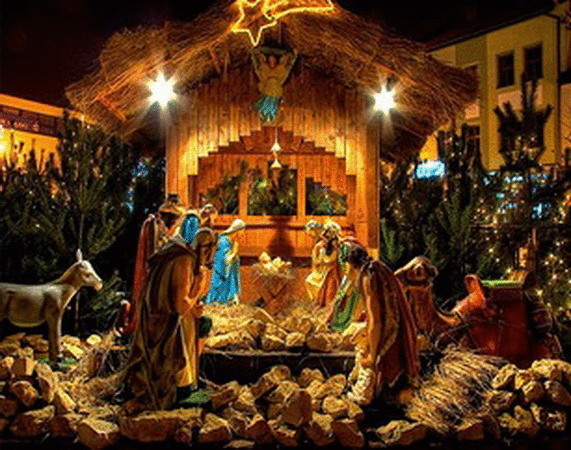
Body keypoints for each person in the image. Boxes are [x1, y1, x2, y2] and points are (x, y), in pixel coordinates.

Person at [123, 228, 218, 410]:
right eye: (208, 251)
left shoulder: (179, 255)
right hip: (168, 323)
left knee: (202, 324)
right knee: (187, 334)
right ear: (201, 248)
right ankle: (183, 392)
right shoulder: (184, 260)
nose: (209, 257)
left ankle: (189, 387)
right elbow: (180, 305)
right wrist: (199, 285)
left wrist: (195, 305)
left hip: (160, 316)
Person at [345, 244, 420, 406]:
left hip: (389, 329)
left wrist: (372, 355)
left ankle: (372, 396)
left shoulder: (368, 277)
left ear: (352, 265)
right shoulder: (377, 267)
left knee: (369, 356)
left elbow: (376, 320)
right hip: (392, 324)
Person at [119, 194, 186, 336]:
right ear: (170, 216)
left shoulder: (160, 226)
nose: (175, 222)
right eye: (175, 218)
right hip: (153, 272)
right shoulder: (153, 225)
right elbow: (152, 252)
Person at [205, 219, 246, 305]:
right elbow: (223, 259)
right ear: (237, 230)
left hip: (229, 271)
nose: (243, 233)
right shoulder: (223, 241)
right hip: (221, 271)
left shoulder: (231, 241)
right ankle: (220, 300)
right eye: (242, 231)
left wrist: (234, 257)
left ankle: (230, 298)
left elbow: (231, 258)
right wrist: (233, 254)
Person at [252, 48, 298, 122]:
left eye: (273, 60)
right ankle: (267, 116)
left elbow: (255, 62)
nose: (272, 61)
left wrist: (255, 53)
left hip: (269, 93)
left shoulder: (279, 71)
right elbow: (289, 65)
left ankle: (267, 115)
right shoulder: (265, 70)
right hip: (272, 94)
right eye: (270, 60)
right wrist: (294, 56)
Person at [305, 220, 342, 307]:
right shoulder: (323, 244)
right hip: (324, 268)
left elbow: (332, 258)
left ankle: (323, 302)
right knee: (309, 281)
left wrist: (323, 259)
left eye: (326, 231)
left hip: (332, 269)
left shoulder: (336, 244)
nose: (323, 233)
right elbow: (318, 260)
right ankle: (317, 300)